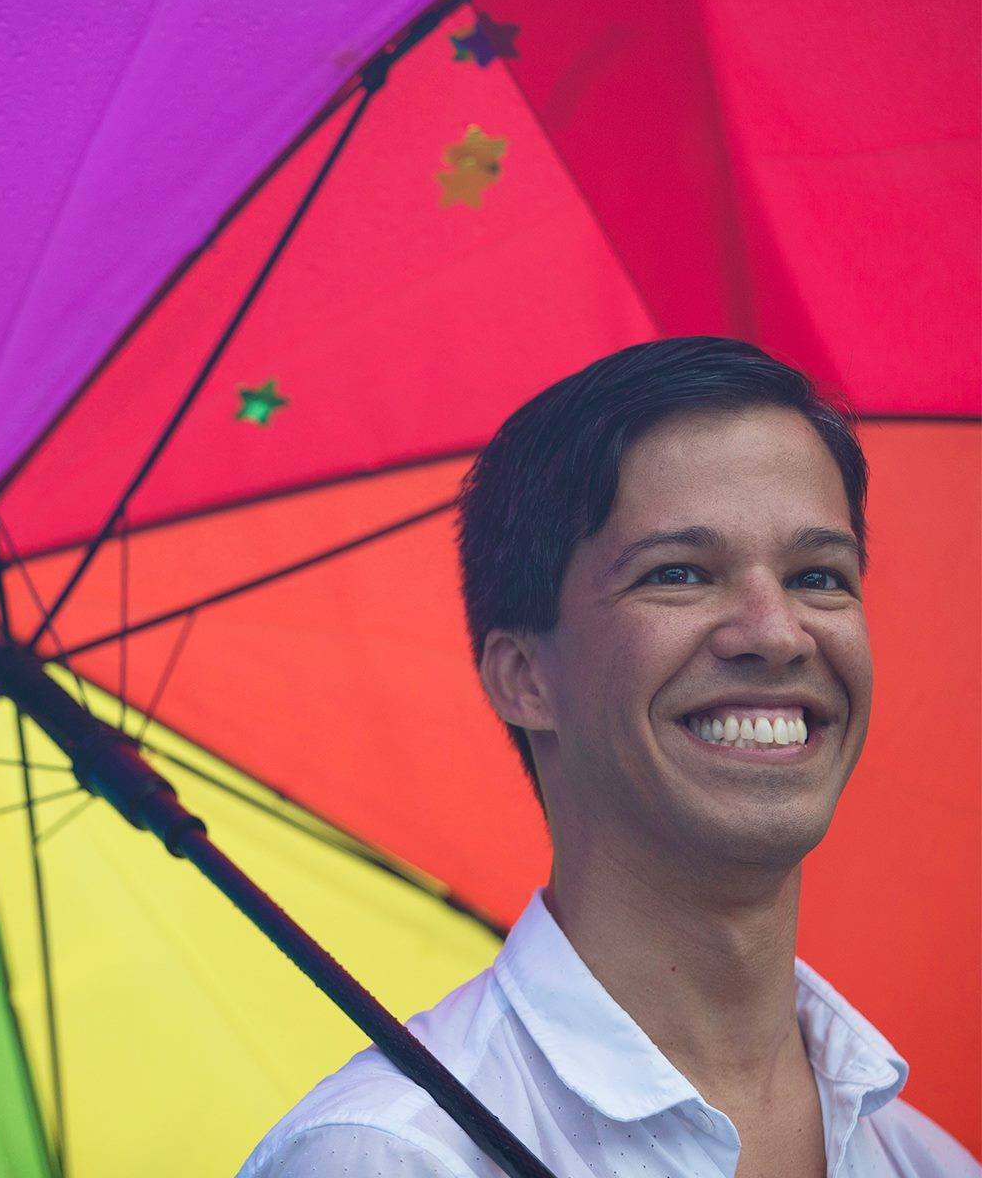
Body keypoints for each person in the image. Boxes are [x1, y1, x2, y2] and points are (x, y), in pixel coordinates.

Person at [237, 338, 979, 1177]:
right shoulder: (392, 1155)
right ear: (524, 679)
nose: (776, 633)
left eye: (819, 576)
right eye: (680, 573)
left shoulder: (929, 1162)